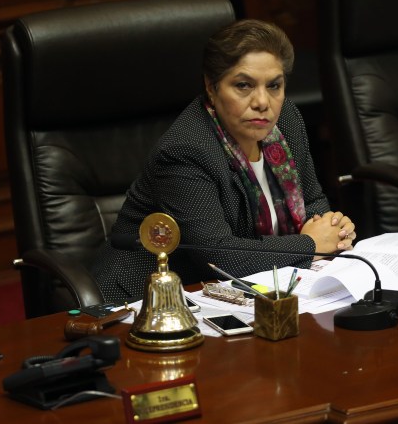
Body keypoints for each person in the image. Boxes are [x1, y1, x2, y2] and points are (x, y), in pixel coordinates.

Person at [92, 19, 356, 302]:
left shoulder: (286, 120)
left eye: (274, 86)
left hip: (253, 287)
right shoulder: (186, 150)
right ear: (212, 87)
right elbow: (218, 255)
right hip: (152, 298)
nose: (262, 102)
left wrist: (334, 229)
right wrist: (312, 244)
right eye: (244, 85)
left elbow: (313, 200)